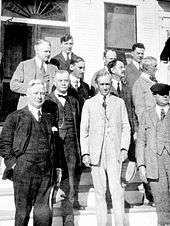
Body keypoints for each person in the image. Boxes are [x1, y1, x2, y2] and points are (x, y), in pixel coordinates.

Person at [0, 79, 58, 226]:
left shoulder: (49, 118)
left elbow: (54, 145)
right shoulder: (15, 117)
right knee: (22, 213)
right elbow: (4, 144)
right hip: (24, 171)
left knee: (43, 214)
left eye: (42, 93)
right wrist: (13, 165)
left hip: (45, 172)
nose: (39, 96)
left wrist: (55, 167)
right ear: (27, 95)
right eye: (36, 93)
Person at [80, 71, 130, 226]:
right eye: (102, 84)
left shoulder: (119, 102)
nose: (105, 87)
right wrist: (86, 153)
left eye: (107, 84)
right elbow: (84, 130)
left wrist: (124, 148)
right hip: (97, 153)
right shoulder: (89, 103)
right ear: (97, 85)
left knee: (117, 192)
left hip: (114, 152)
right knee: (100, 193)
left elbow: (126, 127)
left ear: (111, 84)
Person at [42, 70, 81, 225]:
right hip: (54, 151)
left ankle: (68, 222)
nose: (64, 83)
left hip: (71, 150)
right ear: (55, 82)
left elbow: (79, 126)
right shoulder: (46, 100)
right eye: (61, 81)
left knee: (69, 187)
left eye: (66, 81)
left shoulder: (74, 101)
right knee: (49, 188)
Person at [136, 83, 170, 226]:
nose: (166, 97)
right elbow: (141, 141)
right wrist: (141, 165)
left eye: (167, 94)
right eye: (162, 95)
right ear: (154, 96)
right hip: (154, 164)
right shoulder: (146, 114)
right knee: (161, 202)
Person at [10, 39, 58, 110]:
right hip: (26, 107)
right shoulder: (24, 65)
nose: (48, 54)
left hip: (47, 108)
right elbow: (13, 85)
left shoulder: (54, 68)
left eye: (49, 51)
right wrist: (32, 89)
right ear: (37, 51)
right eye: (45, 51)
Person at [107, 59, 137, 162]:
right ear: (112, 70)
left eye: (124, 67)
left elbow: (132, 110)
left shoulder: (127, 87)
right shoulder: (106, 87)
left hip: (126, 130)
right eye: (120, 67)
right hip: (112, 132)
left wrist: (135, 130)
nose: (123, 69)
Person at [132, 56, 158, 123]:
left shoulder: (154, 81)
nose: (156, 69)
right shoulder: (139, 84)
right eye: (154, 66)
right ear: (147, 67)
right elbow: (139, 109)